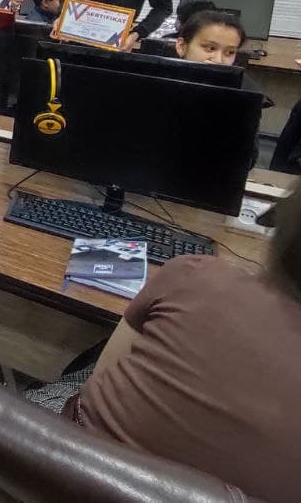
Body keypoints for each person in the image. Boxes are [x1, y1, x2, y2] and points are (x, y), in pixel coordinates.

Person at [64, 186, 301, 503]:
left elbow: (97, 381)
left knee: (89, 359)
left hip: (61, 471)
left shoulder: (194, 274)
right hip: (80, 470)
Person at [174, 9, 245, 65]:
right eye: (211, 48)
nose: (218, 61)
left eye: (230, 52)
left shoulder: (241, 79)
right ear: (182, 47)